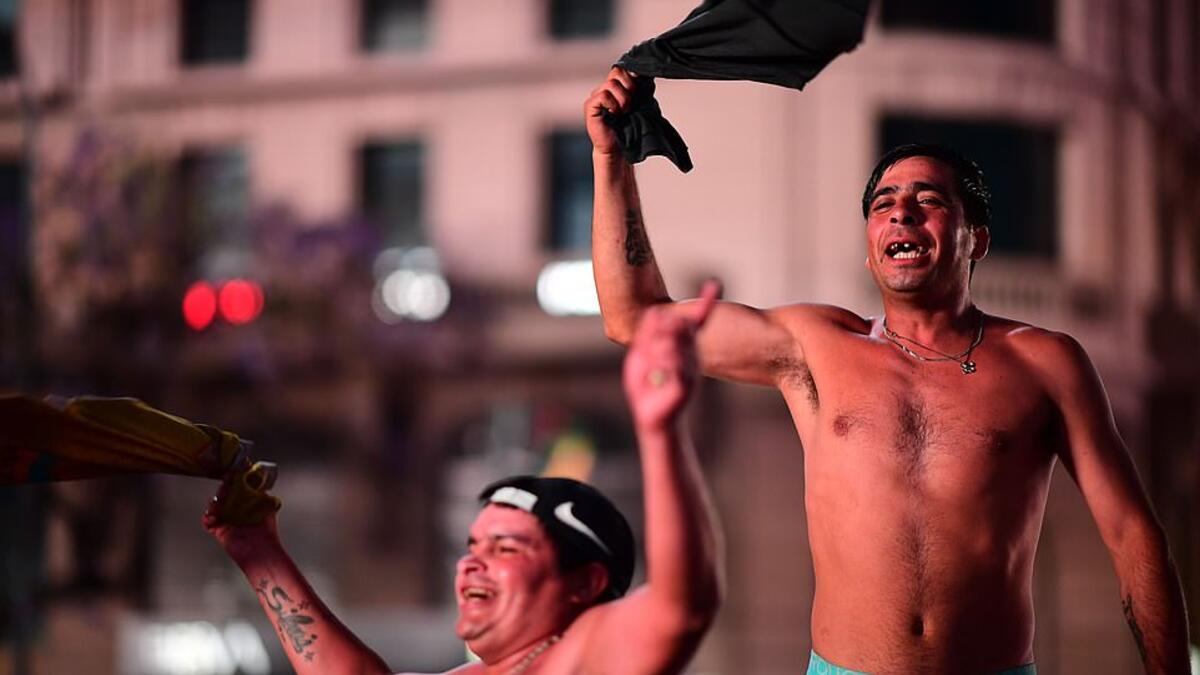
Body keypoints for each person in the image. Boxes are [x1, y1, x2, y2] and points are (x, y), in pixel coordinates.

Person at [585, 67, 1191, 674]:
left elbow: (1134, 537)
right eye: (884, 205)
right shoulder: (814, 346)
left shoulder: (1045, 361)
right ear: (871, 244)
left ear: (974, 239)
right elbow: (635, 318)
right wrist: (611, 160)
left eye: (928, 201)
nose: (902, 214)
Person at [203, 281, 725, 674]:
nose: (472, 563)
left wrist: (660, 431)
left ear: (584, 582)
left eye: (506, 549)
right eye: (474, 545)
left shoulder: (586, 653)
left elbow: (680, 608)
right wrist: (258, 553)